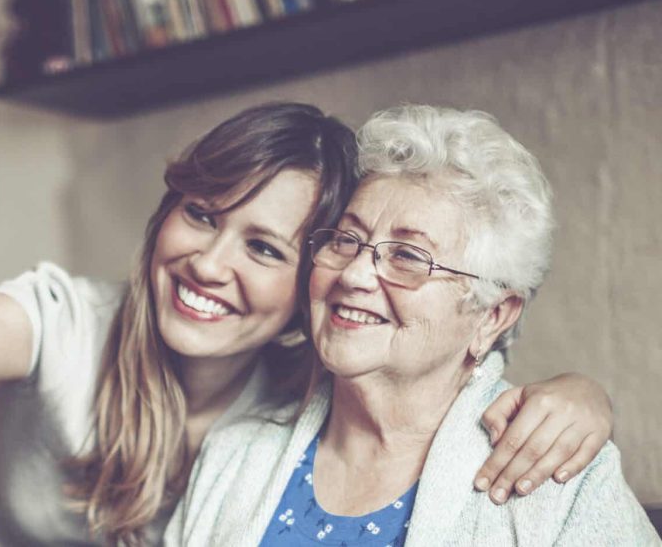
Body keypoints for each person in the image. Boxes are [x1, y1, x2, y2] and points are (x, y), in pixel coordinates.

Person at [0, 103, 613, 546]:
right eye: (201, 214)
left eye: (264, 246)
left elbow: (438, 350)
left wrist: (582, 398)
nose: (209, 263)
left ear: (304, 287)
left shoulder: (307, 391)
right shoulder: (69, 324)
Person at [164, 105, 659, 546]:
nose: (354, 275)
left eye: (407, 256)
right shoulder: (234, 454)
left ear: (492, 315)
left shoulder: (557, 473)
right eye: (346, 240)